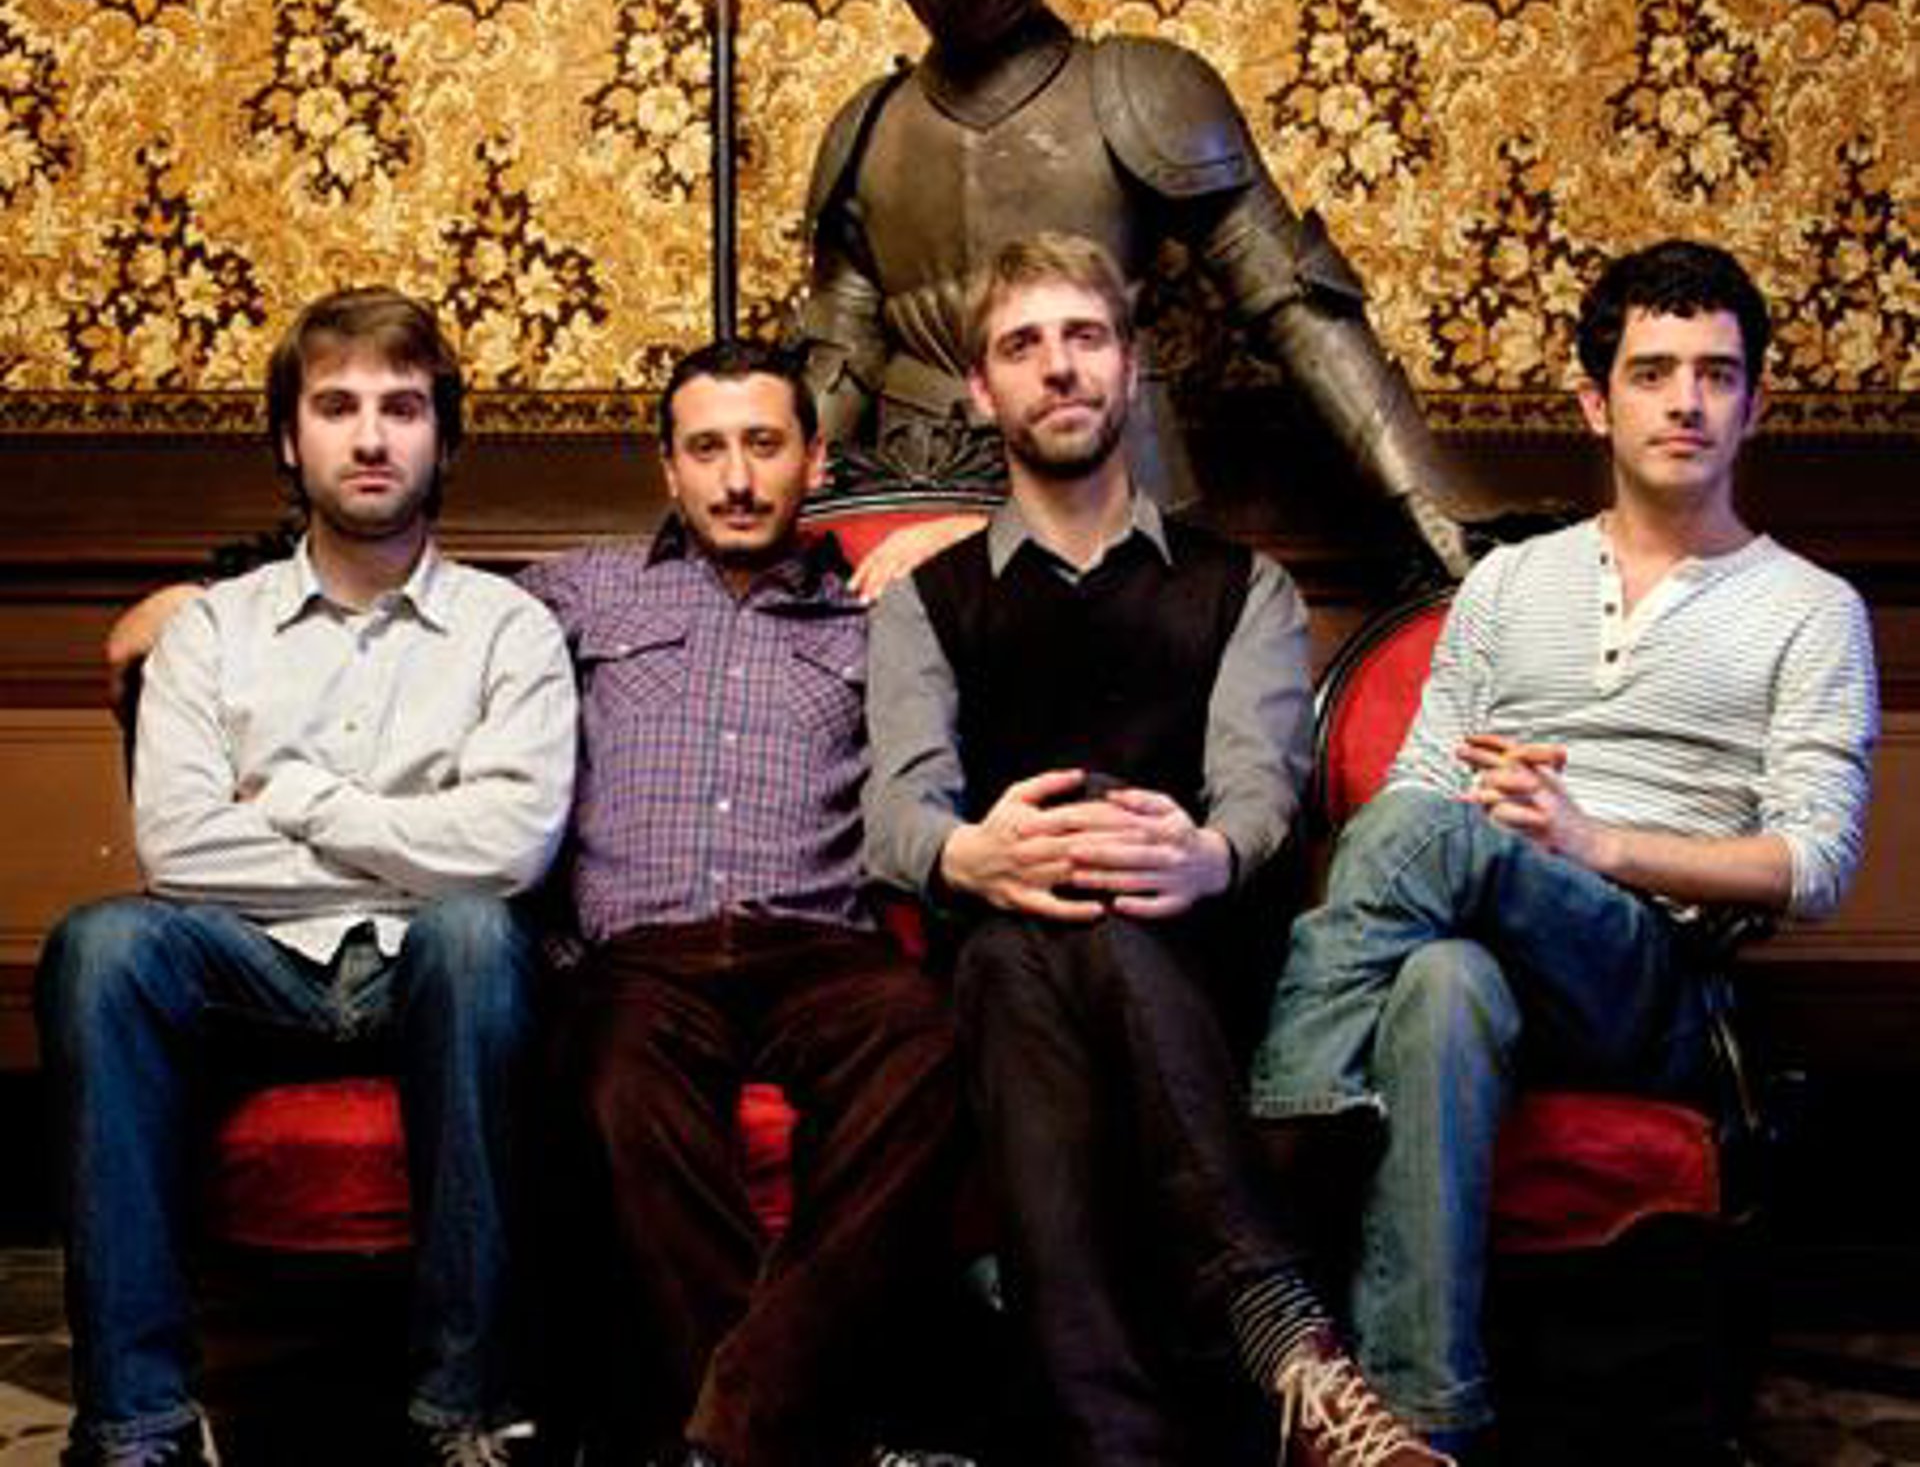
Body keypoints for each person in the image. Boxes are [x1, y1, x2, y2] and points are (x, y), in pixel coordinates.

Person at [1249, 239, 1881, 1459]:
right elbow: (1422, 788)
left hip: (1650, 978)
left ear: (1754, 405)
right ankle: (1423, 1422)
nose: (1686, 400)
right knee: (1442, 983)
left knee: (1441, 838)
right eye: (1653, 371)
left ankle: (1276, 1142)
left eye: (1716, 374)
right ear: (1597, 402)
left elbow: (1814, 864)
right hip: (1484, 934)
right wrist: (1493, 833)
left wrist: (1594, 840)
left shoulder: (1813, 609)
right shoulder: (1506, 585)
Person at [865, 231, 1447, 1467]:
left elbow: (1260, 794)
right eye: (1023, 345)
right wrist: (974, 856)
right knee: (1016, 948)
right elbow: (901, 813)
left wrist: (1207, 855)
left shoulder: (1246, 587)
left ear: (1130, 367)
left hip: (1196, 974)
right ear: (981, 389)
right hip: (993, 975)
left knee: (1063, 937)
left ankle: (1114, 1442)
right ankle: (1290, 1345)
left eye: (1085, 336)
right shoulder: (931, 597)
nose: (1057, 366)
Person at [36, 289, 577, 1467]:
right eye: (337, 406)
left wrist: (293, 798)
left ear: (445, 437)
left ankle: (468, 1413)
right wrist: (414, 832)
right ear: (290, 438)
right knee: (102, 943)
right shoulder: (211, 631)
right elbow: (182, 846)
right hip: (251, 967)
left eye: (403, 407)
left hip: (434, 968)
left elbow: (509, 847)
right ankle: (137, 1425)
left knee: (475, 931)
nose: (371, 436)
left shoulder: (512, 628)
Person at [800, 0, 1483, 577]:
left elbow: (1294, 304)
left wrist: (1433, 510)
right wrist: (764, 513)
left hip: (1113, 493)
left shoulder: (1140, 91)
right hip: (913, 498)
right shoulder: (869, 124)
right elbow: (841, 355)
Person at [520, 337, 965, 1467]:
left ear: (814, 460)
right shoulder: (584, 586)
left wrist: (969, 525)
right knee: (614, 1078)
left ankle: (731, 1428)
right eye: (706, 448)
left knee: (929, 1038)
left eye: (763, 444)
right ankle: (782, 1429)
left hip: (819, 947)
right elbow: (404, 589)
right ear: (667, 467)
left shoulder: (879, 611)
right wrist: (208, 584)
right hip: (641, 955)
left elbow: (1065, 553)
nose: (735, 478)